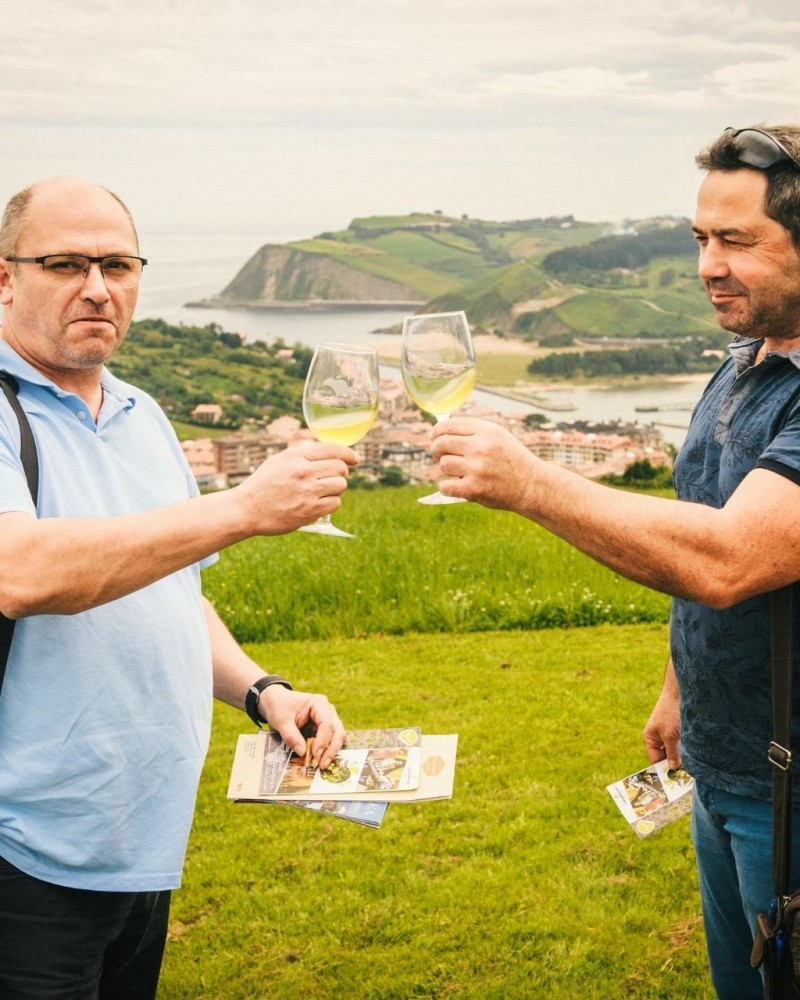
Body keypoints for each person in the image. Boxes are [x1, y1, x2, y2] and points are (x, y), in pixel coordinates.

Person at [430, 124, 800, 1000]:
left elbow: (730, 559)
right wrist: (678, 687)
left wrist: (530, 483)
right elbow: (691, 526)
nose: (710, 264)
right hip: (718, 761)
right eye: (701, 239)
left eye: (738, 241)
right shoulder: (741, 363)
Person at [0, 177, 355, 999]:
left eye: (118, 265)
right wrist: (242, 509)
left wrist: (262, 690)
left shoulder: (143, 415)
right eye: (65, 263)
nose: (97, 287)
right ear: (6, 277)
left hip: (140, 848)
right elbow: (22, 571)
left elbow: (174, 596)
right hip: (24, 861)